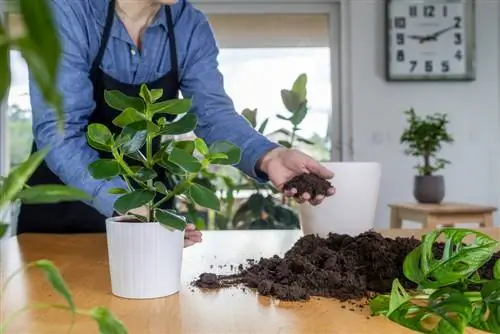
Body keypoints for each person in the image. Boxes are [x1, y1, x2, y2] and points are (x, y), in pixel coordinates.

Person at [17, 0, 336, 246]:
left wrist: (269, 155)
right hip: (59, 215)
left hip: (144, 201)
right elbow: (60, 132)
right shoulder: (67, 12)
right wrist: (132, 208)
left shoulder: (189, 25)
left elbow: (212, 115)